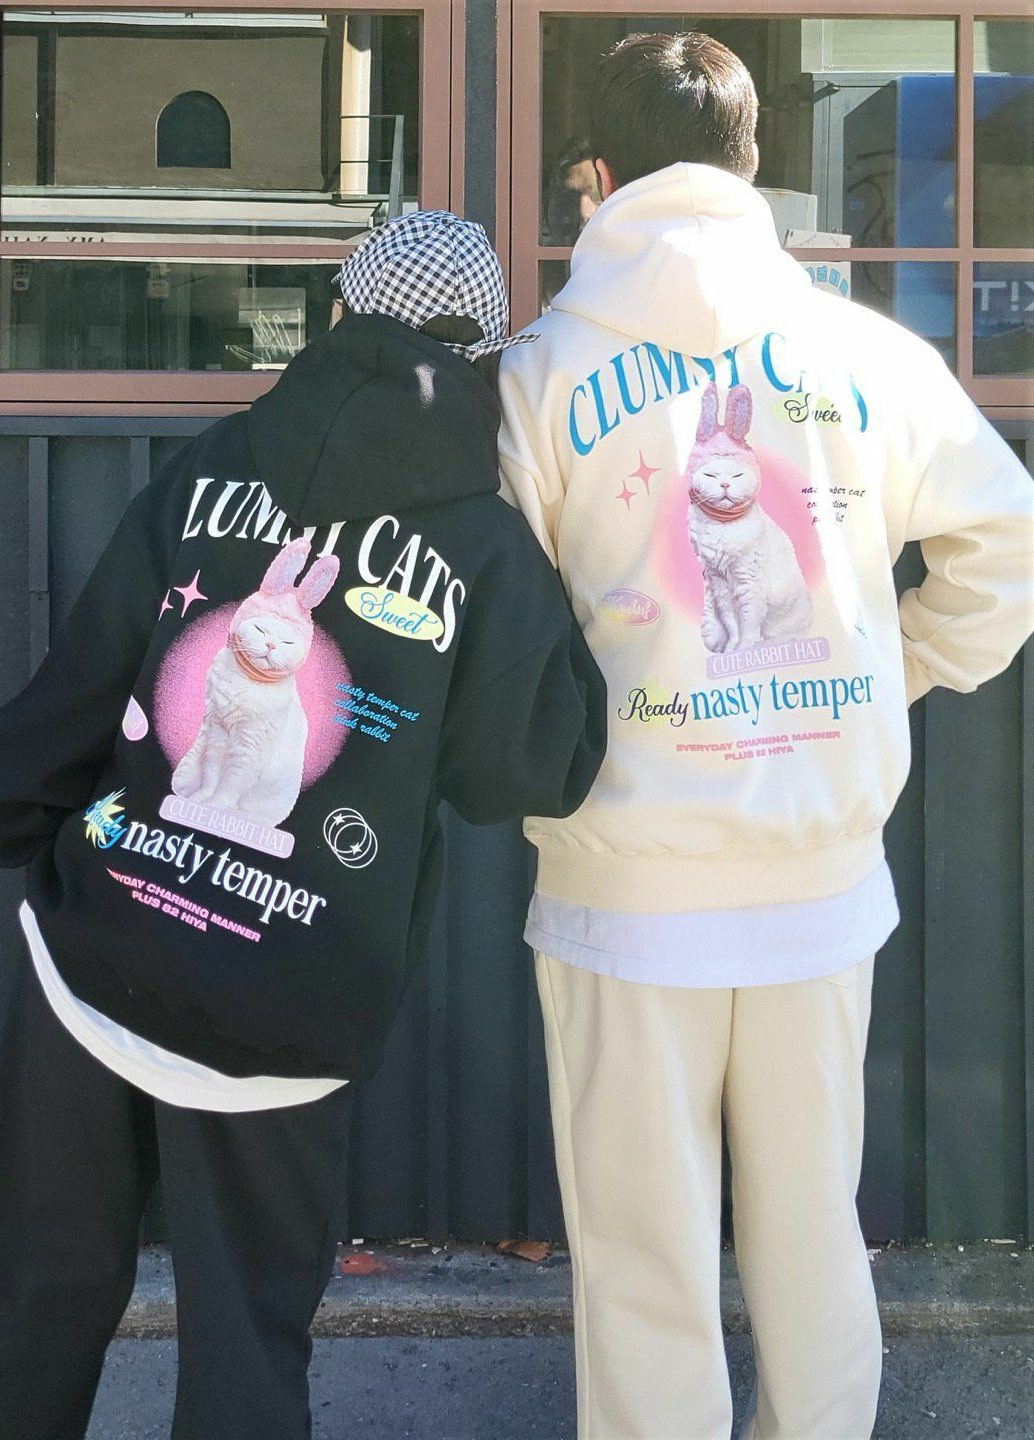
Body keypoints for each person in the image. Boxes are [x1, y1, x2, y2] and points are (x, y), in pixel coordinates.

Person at [0, 210, 606, 1440]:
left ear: (339, 315)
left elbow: (94, 670)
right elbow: (530, 769)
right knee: (247, 1348)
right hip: (289, 1006)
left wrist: (18, 815)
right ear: (484, 354)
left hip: (104, 946)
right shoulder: (484, 542)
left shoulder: (215, 463)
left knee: (27, 1295)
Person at [497, 32, 1034, 1440]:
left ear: (596, 178)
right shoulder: (870, 353)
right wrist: (891, 673)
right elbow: (1007, 546)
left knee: (643, 1254)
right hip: (817, 878)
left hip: (622, 888)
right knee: (811, 1232)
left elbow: (492, 625)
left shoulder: (537, 374)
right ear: (752, 166)